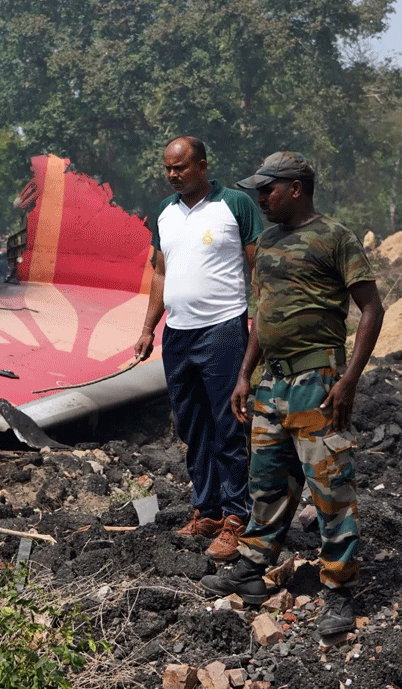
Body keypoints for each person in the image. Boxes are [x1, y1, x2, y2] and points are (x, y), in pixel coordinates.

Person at [200, 151, 384, 639]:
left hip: (317, 384)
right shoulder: (269, 242)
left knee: (330, 490)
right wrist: (245, 374)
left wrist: (348, 381)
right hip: (271, 385)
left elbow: (371, 309)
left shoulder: (335, 237)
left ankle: (339, 590)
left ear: (296, 188)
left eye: (268, 189)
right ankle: (253, 569)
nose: (260, 198)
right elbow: (263, 315)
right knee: (267, 482)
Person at [134, 135, 262, 562]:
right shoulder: (166, 214)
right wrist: (149, 327)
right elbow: (159, 273)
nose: (173, 175)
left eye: (181, 167)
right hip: (179, 333)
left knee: (228, 426)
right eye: (168, 168)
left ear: (203, 165)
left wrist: (263, 320)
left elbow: (257, 266)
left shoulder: (235, 206)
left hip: (223, 329)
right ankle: (206, 509)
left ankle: (236, 517)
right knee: (191, 426)